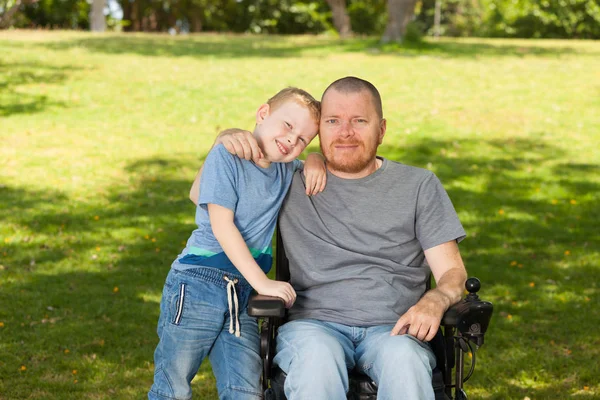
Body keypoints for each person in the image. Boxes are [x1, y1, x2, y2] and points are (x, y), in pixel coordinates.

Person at [198, 76, 468, 400]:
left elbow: (452, 273)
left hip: (394, 328)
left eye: (359, 121)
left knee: (406, 361)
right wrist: (223, 141)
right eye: (333, 121)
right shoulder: (285, 180)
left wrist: (436, 300)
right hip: (312, 326)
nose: (345, 132)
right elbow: (208, 193)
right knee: (317, 362)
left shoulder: (419, 186)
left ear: (381, 130)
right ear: (319, 131)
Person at [149, 87, 326, 400]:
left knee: (246, 390)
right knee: (172, 388)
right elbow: (222, 226)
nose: (291, 140)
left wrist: (314, 158)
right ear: (262, 114)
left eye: (302, 139)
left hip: (242, 293)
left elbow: (306, 163)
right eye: (288, 126)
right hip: (198, 282)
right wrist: (264, 283)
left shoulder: (286, 169)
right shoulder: (227, 155)